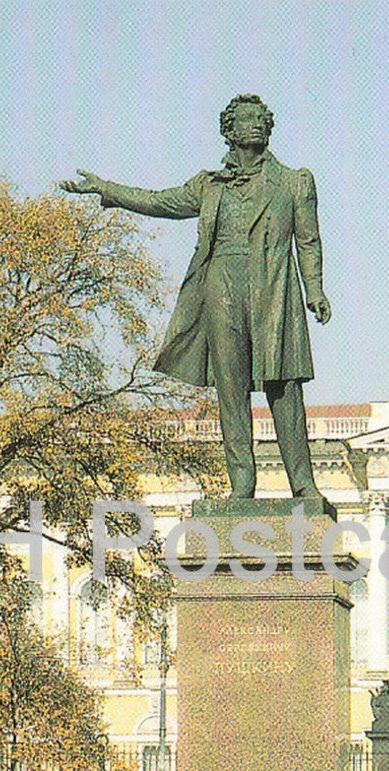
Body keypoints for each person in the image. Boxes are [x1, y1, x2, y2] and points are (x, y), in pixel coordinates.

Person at [61, 94, 332, 502]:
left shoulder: (295, 181)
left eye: (261, 119)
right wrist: (108, 190)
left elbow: (308, 241)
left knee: (285, 386)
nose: (255, 124)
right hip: (220, 285)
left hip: (274, 286)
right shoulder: (208, 185)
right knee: (231, 386)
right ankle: (242, 482)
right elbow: (160, 202)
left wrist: (315, 289)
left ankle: (303, 483)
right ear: (229, 130)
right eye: (246, 119)